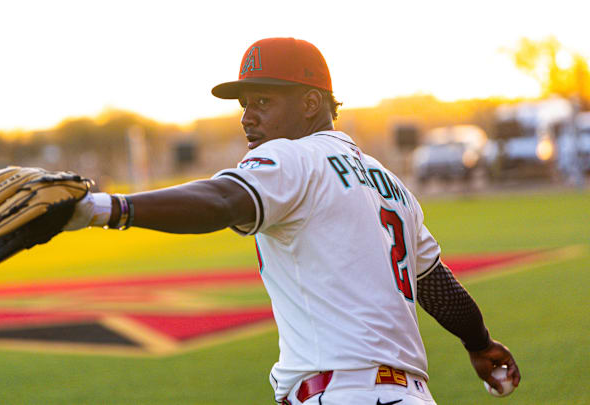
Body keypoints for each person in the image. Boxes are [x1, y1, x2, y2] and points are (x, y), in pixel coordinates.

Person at [65, 37, 521, 404]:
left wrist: (107, 208)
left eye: (262, 100)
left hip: (341, 393)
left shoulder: (291, 156)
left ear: (309, 104)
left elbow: (223, 199)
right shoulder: (391, 182)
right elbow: (439, 287)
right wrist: (479, 343)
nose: (247, 117)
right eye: (244, 103)